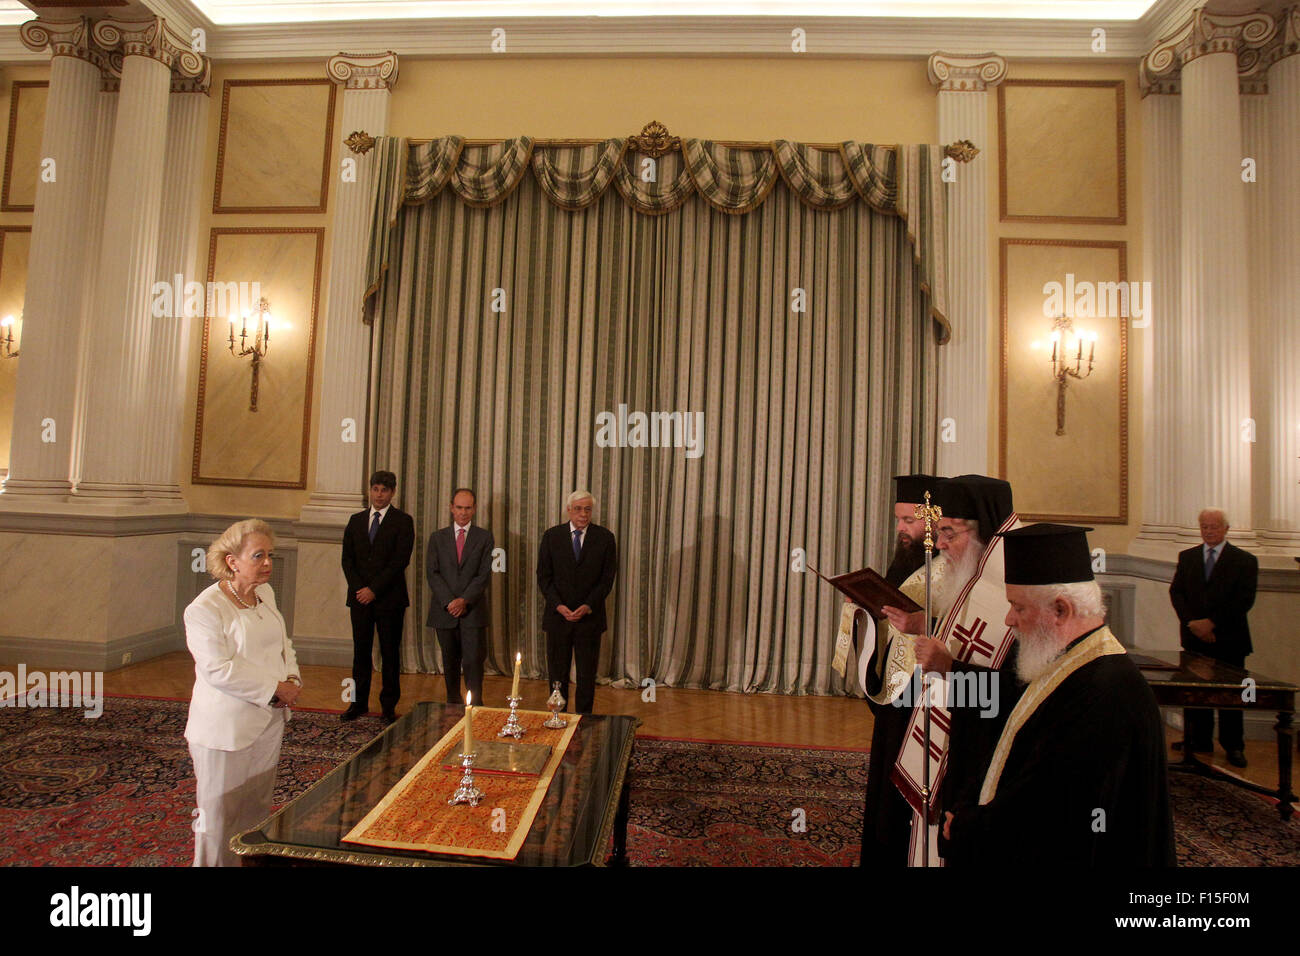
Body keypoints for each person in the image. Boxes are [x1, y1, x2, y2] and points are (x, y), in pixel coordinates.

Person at [941, 523, 1175, 867]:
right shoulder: (1068, 661)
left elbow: (1056, 809)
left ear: (1061, 610)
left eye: (1018, 607)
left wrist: (969, 826)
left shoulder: (1107, 691)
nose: (1009, 619)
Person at [880, 474, 1019, 865]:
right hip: (957, 737)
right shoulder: (969, 579)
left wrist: (950, 668)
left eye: (948, 533)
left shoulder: (1013, 597)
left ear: (984, 534)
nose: (938, 544)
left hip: (984, 756)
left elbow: (1010, 694)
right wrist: (930, 630)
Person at [184, 519, 302, 867]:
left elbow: (283, 643)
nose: (267, 562)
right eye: (258, 555)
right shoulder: (203, 610)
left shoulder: (265, 593)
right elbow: (217, 670)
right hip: (225, 729)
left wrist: (292, 677)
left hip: (268, 720)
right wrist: (274, 689)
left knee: (255, 806)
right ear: (232, 561)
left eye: (270, 555)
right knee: (217, 816)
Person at [858, 473, 937, 867]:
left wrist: (924, 622)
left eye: (910, 520)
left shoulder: (948, 565)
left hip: (926, 685)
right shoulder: (906, 556)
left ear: (934, 522)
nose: (902, 529)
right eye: (899, 520)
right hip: (896, 680)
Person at [1168, 507, 1258, 768]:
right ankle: (1198, 739)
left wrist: (1212, 623)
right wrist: (1193, 624)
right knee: (1195, 693)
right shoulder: (1188, 557)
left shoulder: (1244, 560)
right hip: (1194, 638)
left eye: (1214, 527)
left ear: (1226, 529)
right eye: (1204, 527)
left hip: (1229, 639)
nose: (1208, 531)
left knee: (1229, 695)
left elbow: (1244, 600)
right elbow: (1177, 593)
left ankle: (1233, 745)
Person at [340, 470, 415, 724]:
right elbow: (347, 560)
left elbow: (399, 561)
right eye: (375, 489)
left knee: (390, 653)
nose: (379, 494)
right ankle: (357, 703)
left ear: (392, 492)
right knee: (360, 652)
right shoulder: (355, 520)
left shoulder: (403, 521)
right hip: (359, 599)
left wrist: (374, 589)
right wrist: (361, 588)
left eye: (384, 490)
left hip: (389, 600)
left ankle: (388, 707)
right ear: (370, 490)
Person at [537, 490, 618, 715]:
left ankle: (584, 719)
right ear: (569, 510)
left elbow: (607, 579)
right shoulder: (552, 536)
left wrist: (588, 605)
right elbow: (544, 577)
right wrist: (558, 606)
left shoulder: (605, 538)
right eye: (578, 509)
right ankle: (557, 716)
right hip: (558, 618)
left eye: (587, 509)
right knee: (557, 675)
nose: (583, 514)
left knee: (586, 675)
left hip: (589, 619)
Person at [426, 488, 495, 706]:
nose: (463, 512)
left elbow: (484, 574)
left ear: (474, 509)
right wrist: (450, 602)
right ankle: (453, 704)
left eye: (467, 508)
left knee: (473, 662)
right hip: (444, 611)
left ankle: (475, 706)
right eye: (459, 507)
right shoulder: (437, 538)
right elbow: (432, 573)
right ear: (451, 508)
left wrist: (464, 600)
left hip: (472, 611)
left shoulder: (484, 537)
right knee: (450, 661)